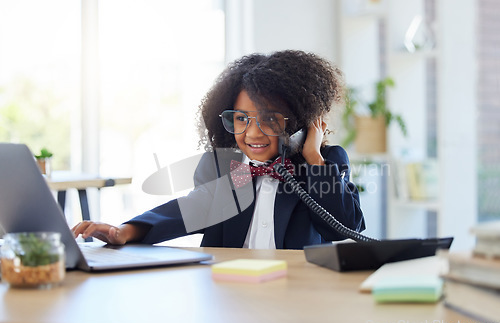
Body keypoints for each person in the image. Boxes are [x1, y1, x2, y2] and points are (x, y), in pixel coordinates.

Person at [72, 50, 366, 249]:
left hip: (299, 294)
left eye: (270, 119)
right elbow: (190, 210)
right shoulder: (228, 167)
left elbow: (344, 227)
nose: (252, 133)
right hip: (230, 294)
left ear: (303, 123)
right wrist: (125, 231)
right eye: (241, 119)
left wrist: (313, 159)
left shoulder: (324, 164)